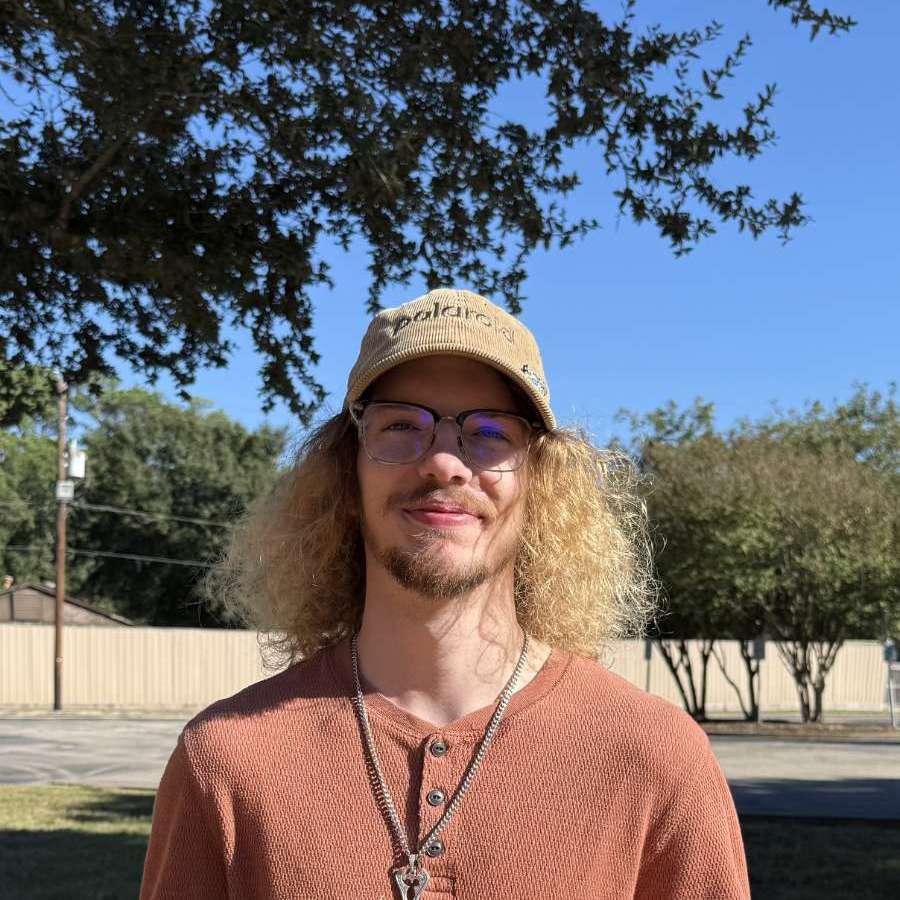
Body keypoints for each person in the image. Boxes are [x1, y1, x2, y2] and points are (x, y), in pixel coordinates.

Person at [141, 288, 750, 899]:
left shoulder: (656, 758)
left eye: (490, 433)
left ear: (541, 486)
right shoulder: (225, 759)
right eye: (401, 425)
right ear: (345, 475)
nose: (443, 463)